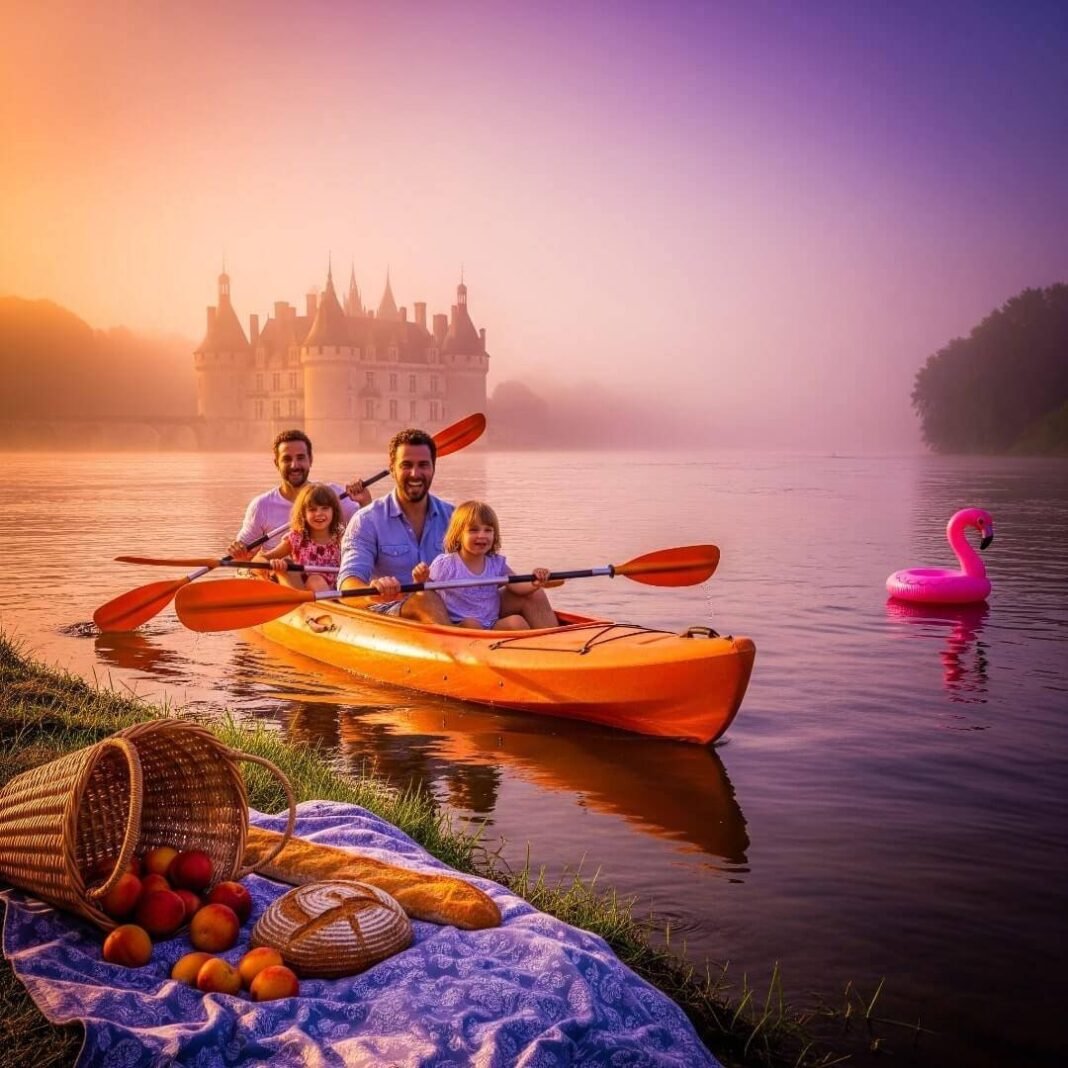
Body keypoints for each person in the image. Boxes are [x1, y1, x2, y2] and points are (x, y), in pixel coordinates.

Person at [337, 428, 558, 627]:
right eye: (406, 465)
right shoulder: (366, 520)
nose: (415, 474)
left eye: (423, 465)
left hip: (459, 608)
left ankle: (561, 652)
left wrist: (537, 580)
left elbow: (486, 566)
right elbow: (347, 584)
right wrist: (375, 591)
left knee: (533, 595)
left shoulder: (456, 517)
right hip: (397, 611)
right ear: (392, 469)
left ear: (433, 468)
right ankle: (464, 653)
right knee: (426, 597)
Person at [227, 429, 370, 558]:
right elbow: (245, 552)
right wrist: (239, 550)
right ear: (276, 463)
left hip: (329, 574)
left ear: (310, 460)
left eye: (300, 458)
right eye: (287, 459)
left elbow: (364, 533)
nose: (294, 465)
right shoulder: (261, 506)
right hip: (279, 575)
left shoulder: (333, 495)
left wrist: (365, 502)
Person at [424, 500, 552, 630]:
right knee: (471, 623)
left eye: (488, 530)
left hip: (491, 623)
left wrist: (535, 582)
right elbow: (427, 593)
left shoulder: (496, 563)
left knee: (516, 622)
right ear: (458, 535)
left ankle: (551, 639)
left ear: (494, 535)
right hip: (462, 626)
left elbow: (518, 586)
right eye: (473, 530)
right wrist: (422, 578)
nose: (482, 535)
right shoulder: (445, 564)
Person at [259, 482, 345, 592]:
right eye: (312, 509)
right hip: (302, 590)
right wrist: (274, 564)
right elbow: (262, 558)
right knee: (307, 575)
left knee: (317, 580)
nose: (319, 513)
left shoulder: (342, 538)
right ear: (303, 514)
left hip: (336, 592)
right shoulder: (296, 539)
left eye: (325, 508)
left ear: (334, 511)